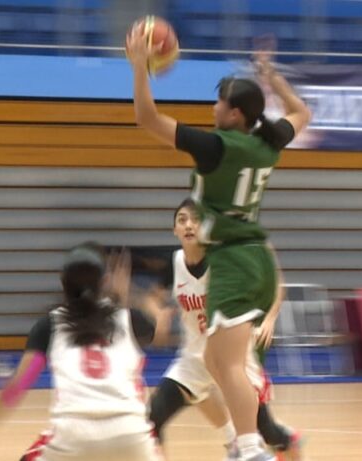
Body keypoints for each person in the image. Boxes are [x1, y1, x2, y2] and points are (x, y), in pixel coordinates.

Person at [127, 24, 311, 461]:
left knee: (226, 366)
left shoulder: (216, 147)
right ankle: (248, 442)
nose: (213, 108)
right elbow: (301, 112)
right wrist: (271, 76)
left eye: (219, 103)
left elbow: (147, 119)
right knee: (214, 361)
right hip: (255, 259)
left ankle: (249, 448)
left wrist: (139, 67)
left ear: (234, 114)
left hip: (233, 261)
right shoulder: (267, 142)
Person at [0, 242, 160, 461]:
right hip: (131, 434)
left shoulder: (49, 325)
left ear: (62, 281)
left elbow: (18, 385)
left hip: (73, 436)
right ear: (104, 281)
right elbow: (161, 334)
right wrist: (123, 298)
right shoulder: (130, 319)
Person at [147, 199, 302, 460]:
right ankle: (235, 443)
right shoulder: (174, 262)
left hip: (233, 356)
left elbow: (273, 279)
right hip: (194, 358)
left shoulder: (224, 260)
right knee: (151, 420)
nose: (189, 225)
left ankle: (287, 441)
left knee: (267, 431)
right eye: (182, 220)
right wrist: (158, 313)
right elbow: (153, 297)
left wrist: (269, 318)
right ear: (175, 230)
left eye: (195, 219)